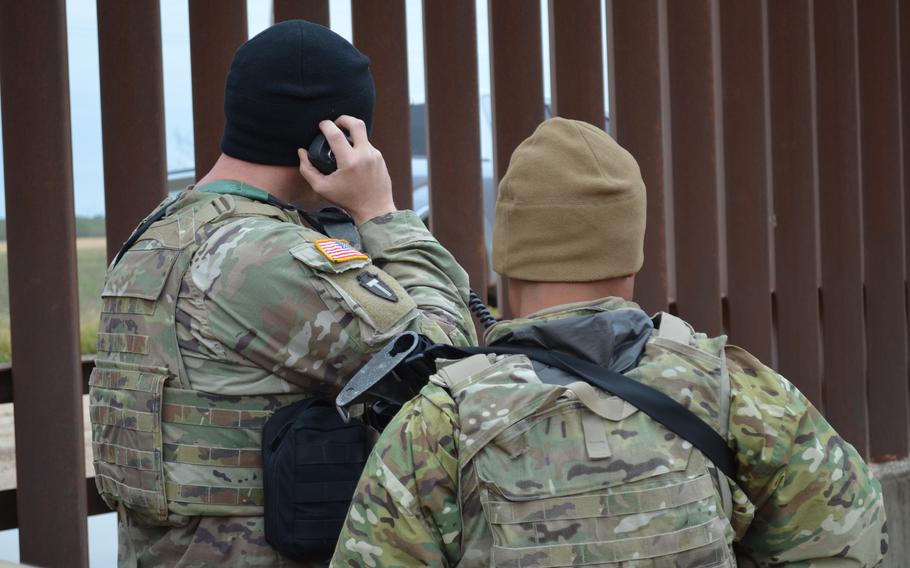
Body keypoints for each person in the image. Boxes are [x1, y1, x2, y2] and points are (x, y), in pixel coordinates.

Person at [330, 118, 888, 567]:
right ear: (629, 256)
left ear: (509, 259)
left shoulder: (442, 420)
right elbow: (847, 536)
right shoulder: (733, 391)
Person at [89, 20, 476, 567]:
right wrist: (382, 215)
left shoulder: (159, 234)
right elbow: (446, 361)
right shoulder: (263, 256)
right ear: (332, 141)